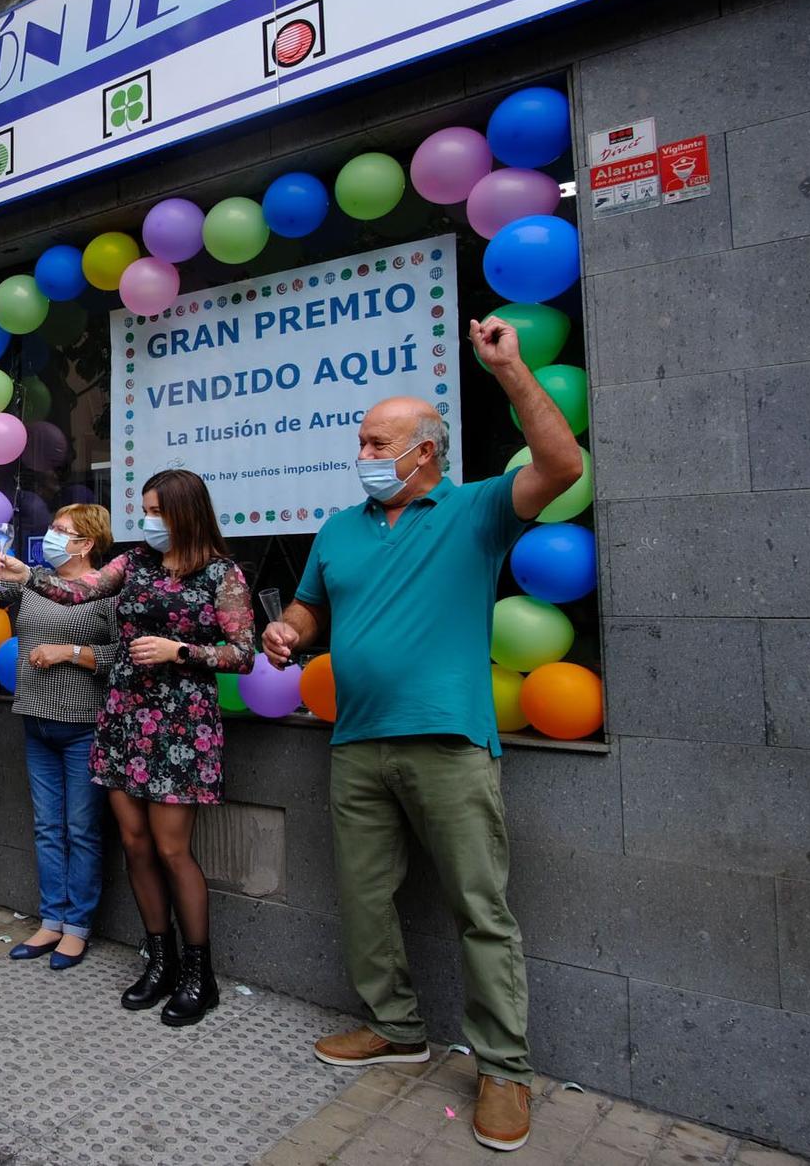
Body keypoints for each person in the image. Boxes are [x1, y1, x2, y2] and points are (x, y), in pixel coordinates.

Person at [263, 317, 582, 1153]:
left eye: (377, 441)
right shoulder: (338, 529)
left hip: (448, 740)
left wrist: (510, 373)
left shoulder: (475, 510)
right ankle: (395, 1026)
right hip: (356, 742)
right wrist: (290, 631)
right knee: (364, 899)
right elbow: (309, 604)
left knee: (480, 906)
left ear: (425, 452)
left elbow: (561, 466)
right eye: (362, 440)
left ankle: (505, 1069)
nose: (363, 452)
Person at [0, 469, 253, 1025]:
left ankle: (196, 973)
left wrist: (179, 650)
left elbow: (242, 652)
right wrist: (27, 576)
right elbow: (79, 589)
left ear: (185, 512)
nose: (147, 521)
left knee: (171, 849)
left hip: (181, 724)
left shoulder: (221, 573)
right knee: (133, 844)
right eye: (146, 509)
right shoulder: (133, 563)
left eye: (157, 510)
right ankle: (157, 961)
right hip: (123, 716)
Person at [0, 503, 118, 970]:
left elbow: (121, 656)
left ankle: (77, 928)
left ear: (86, 543)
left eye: (61, 530)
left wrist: (69, 652)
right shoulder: (33, 579)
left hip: (83, 727)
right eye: (52, 527)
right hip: (35, 719)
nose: (50, 535)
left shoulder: (107, 592)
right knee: (48, 829)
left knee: (82, 831)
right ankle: (51, 920)